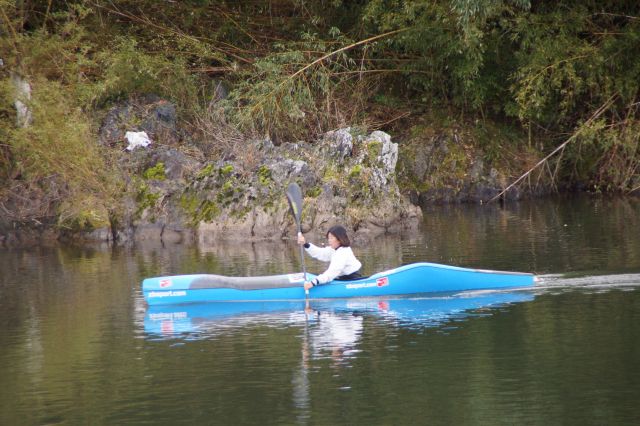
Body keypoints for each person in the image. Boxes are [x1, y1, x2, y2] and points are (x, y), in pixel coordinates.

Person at [297, 225, 362, 291]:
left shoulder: (343, 253)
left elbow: (332, 272)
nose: (329, 240)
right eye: (328, 238)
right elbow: (320, 253)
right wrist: (305, 244)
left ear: (339, 239)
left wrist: (313, 283)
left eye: (331, 238)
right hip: (342, 278)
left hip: (351, 280)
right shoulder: (334, 249)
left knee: (322, 279)